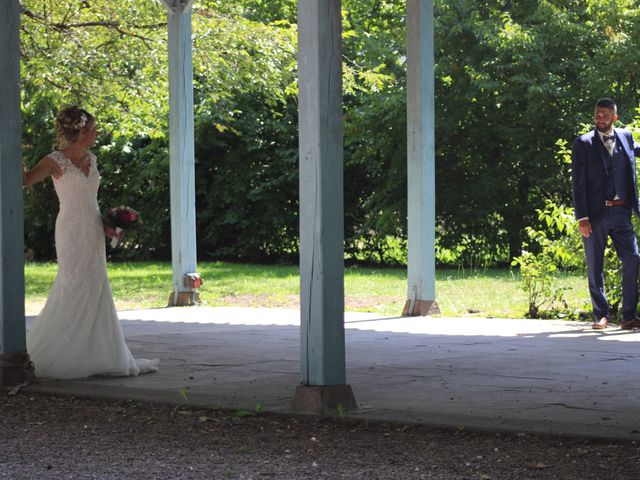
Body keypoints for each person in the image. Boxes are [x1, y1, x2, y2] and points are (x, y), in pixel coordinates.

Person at [23, 106, 159, 378]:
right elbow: (24, 181)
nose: (97, 134)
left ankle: (99, 354)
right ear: (82, 131)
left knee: (96, 284)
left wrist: (109, 225)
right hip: (70, 229)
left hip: (93, 228)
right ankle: (63, 354)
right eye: (94, 129)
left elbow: (91, 201)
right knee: (73, 282)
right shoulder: (54, 160)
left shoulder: (92, 158)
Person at [571, 98, 640, 330]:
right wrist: (582, 217)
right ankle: (600, 314)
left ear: (614, 117)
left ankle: (628, 316)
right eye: (597, 115)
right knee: (595, 265)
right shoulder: (583, 143)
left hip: (621, 211)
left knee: (633, 258)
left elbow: (634, 151)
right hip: (595, 215)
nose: (599, 119)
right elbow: (578, 184)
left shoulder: (626, 136)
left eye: (604, 115)